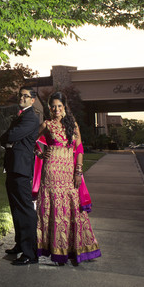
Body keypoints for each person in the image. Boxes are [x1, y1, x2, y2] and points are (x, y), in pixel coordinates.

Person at [35, 91, 101, 265]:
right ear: (49, 108)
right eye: (53, 106)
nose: (56, 109)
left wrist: (78, 171)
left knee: (72, 208)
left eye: (59, 106)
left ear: (64, 107)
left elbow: (79, 149)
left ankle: (74, 249)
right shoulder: (46, 124)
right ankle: (56, 250)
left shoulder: (73, 125)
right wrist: (40, 154)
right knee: (54, 210)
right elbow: (31, 141)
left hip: (68, 172)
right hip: (51, 172)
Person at [0, 87, 39, 265]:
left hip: (21, 169)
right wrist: (7, 139)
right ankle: (20, 245)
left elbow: (12, 135)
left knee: (25, 210)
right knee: (16, 209)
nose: (22, 98)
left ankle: (30, 253)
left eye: (26, 96)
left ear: (33, 100)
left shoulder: (31, 118)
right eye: (21, 95)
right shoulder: (21, 116)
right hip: (13, 167)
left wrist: (8, 139)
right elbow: (5, 138)